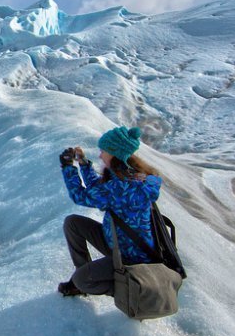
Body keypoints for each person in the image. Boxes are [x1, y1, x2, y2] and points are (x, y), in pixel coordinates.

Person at [57, 126, 162, 297]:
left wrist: (68, 167)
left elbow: (81, 196)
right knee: (73, 223)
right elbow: (100, 188)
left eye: (103, 151)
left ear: (114, 153)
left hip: (130, 258)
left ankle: (130, 290)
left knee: (81, 279)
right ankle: (84, 277)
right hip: (116, 243)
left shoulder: (123, 187)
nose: (100, 155)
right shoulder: (128, 176)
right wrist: (83, 164)